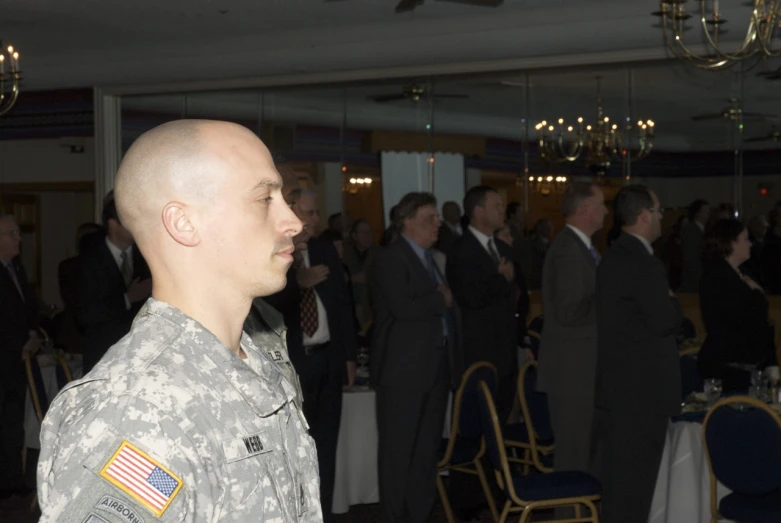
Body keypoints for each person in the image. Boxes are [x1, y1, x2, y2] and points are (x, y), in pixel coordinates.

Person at [37, 120, 322, 522]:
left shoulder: (259, 358)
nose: (293, 221)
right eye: (264, 199)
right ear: (184, 223)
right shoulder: (139, 409)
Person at [265, 188, 357, 523]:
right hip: (294, 364)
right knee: (297, 450)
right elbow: (263, 309)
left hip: (329, 359)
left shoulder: (323, 251)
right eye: (309, 213)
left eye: (317, 213)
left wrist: (348, 355)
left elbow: (342, 306)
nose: (316, 220)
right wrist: (298, 283)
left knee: (327, 446)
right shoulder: (270, 251)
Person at [371, 192, 463, 523]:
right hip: (403, 372)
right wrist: (440, 299)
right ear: (407, 221)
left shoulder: (431, 258)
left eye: (437, 217)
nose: (437, 224)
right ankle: (396, 516)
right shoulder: (391, 258)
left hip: (434, 367)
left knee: (425, 453)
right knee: (399, 452)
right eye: (430, 218)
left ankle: (419, 514)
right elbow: (402, 307)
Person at [595, 185, 683, 523]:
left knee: (620, 488)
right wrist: (674, 303)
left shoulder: (613, 256)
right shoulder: (644, 263)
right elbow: (665, 321)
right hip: (643, 394)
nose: (662, 217)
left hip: (619, 390)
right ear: (644, 215)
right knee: (637, 489)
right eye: (659, 211)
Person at [537, 182, 607, 479]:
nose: (606, 210)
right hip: (572, 373)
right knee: (574, 459)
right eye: (601, 204)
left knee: (586, 456)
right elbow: (569, 311)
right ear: (584, 210)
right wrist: (610, 297)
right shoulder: (568, 249)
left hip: (581, 369)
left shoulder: (582, 247)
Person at [447, 185, 517, 420]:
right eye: (496, 206)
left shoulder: (502, 248)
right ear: (478, 211)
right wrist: (500, 278)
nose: (502, 210)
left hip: (505, 348)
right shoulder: (461, 250)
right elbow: (471, 297)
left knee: (503, 417)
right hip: (480, 350)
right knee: (483, 421)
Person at [76, 192, 152, 372]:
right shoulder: (89, 261)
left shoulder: (148, 255)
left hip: (141, 356)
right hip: (103, 356)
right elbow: (85, 315)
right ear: (113, 224)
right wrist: (127, 298)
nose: (137, 226)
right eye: (130, 221)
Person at [698, 218, 777, 391]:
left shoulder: (740, 273)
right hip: (730, 366)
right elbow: (745, 319)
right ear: (732, 243)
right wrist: (758, 294)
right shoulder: (717, 277)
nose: (750, 244)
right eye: (746, 239)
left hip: (744, 363)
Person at [0, 214, 39, 500]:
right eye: (12, 233)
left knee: (14, 422)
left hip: (16, 364)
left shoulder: (17, 270)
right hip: (4, 360)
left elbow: (28, 312)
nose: (19, 238)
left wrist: (37, 334)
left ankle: (12, 480)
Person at [344, 219, 379, 332]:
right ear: (354, 235)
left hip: (372, 306)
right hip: (350, 305)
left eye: (369, 232)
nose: (367, 236)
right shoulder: (345, 253)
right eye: (363, 233)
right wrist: (353, 278)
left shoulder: (380, 253)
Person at [680, 199, 710, 292]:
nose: (709, 213)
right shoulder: (691, 230)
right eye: (706, 211)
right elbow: (691, 258)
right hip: (694, 280)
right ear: (697, 213)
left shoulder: (703, 230)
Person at [528, 218, 553, 290]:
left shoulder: (551, 244)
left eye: (551, 227)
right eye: (548, 227)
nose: (551, 229)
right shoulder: (533, 244)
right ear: (539, 228)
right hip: (537, 283)